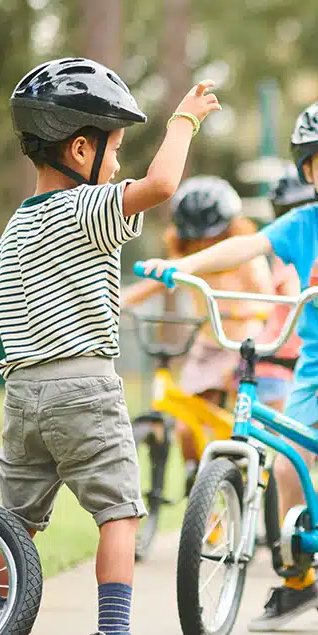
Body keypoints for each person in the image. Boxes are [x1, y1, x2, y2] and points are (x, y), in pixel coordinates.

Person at [0, 57, 220, 635]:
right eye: (114, 150)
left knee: (14, 523)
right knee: (120, 512)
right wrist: (186, 121)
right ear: (80, 147)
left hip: (21, 392)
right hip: (83, 385)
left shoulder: (13, 229)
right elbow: (162, 186)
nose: (117, 166)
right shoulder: (84, 208)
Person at [139, 97, 318, 635]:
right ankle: (300, 578)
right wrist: (181, 266)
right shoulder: (301, 223)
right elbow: (243, 247)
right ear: (308, 170)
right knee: (286, 466)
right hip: (315, 361)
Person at [122, 175, 274, 492]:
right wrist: (119, 302)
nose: (204, 245)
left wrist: (247, 311)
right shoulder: (190, 260)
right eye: (196, 239)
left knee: (228, 416)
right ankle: (195, 475)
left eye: (212, 237)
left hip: (239, 345)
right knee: (184, 425)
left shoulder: (245, 258)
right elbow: (151, 286)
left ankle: (238, 468)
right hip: (206, 344)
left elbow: (267, 296)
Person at [254, 164, 317, 414]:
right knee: (287, 434)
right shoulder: (290, 254)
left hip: (288, 359)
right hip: (279, 361)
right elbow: (296, 295)